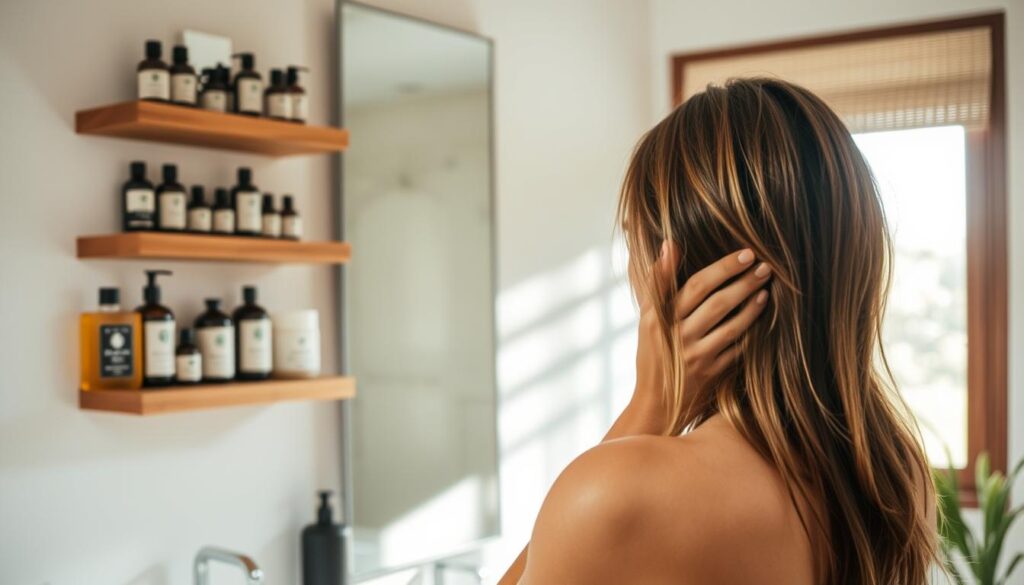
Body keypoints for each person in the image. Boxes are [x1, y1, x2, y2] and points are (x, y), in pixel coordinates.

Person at [499, 78, 938, 585]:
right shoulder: (895, 476)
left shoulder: (612, 496)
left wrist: (649, 406)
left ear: (677, 273)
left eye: (633, 241)